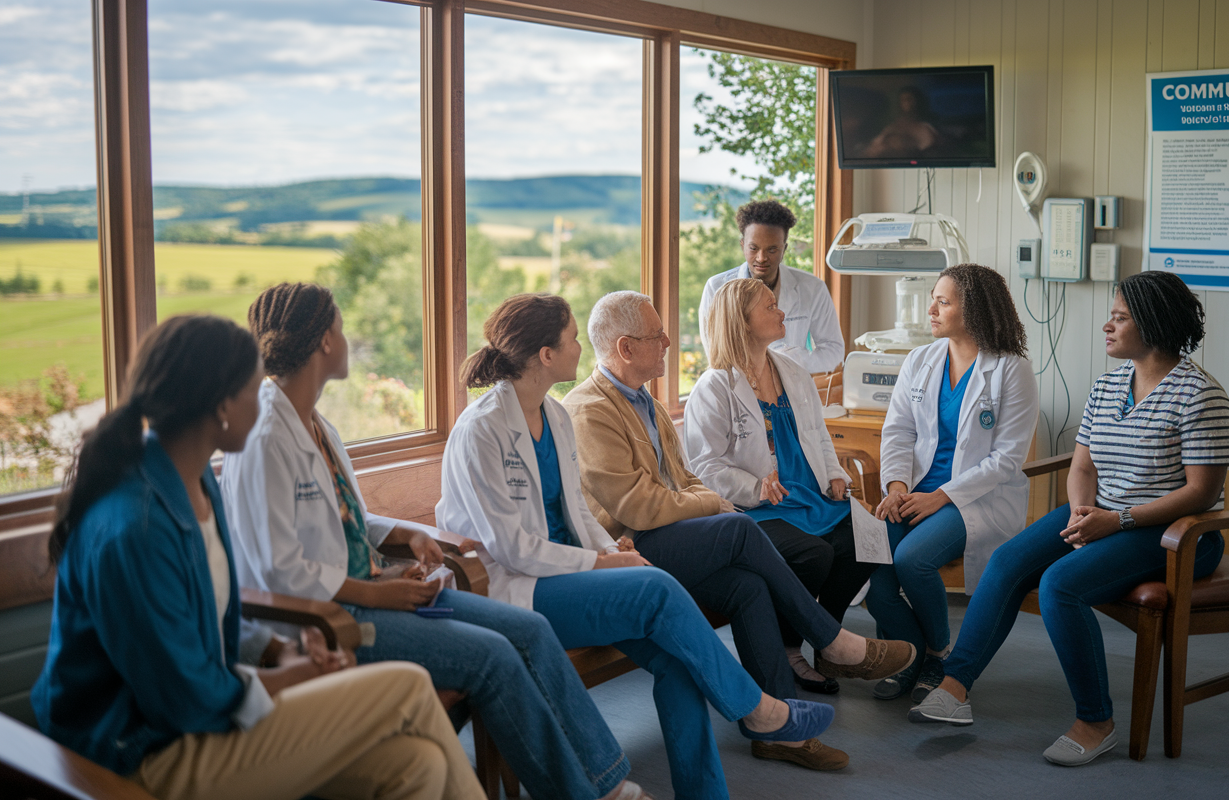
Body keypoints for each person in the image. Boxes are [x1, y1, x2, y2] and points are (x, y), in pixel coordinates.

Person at [220, 284, 647, 800]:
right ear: (324, 343)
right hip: (337, 620)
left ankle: (605, 781)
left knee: (530, 631)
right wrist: (378, 594)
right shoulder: (265, 436)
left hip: (383, 589)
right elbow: (278, 569)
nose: (346, 339)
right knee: (493, 656)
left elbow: (341, 513)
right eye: (340, 328)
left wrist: (402, 534)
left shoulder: (313, 420)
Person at [31, 315, 484, 800]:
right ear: (223, 405)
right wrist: (285, 679)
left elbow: (192, 634)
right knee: (408, 687)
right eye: (255, 387)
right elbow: (180, 698)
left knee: (418, 764)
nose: (264, 399)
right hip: (143, 754)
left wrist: (277, 650)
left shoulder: (195, 480)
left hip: (197, 720)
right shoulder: (135, 527)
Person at [435, 293, 836, 800]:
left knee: (679, 661)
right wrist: (604, 560)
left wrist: (609, 548)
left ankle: (704, 791)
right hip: (516, 588)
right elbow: (511, 549)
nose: (581, 346)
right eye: (573, 338)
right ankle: (760, 708)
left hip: (570, 575)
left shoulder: (553, 416)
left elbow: (577, 512)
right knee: (656, 587)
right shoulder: (482, 428)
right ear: (545, 355)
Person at [563, 290, 916, 773]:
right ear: (625, 348)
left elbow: (683, 476)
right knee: (740, 531)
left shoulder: (645, 399)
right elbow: (637, 507)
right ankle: (834, 644)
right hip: (627, 548)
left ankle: (778, 731)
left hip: (670, 532)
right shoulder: (590, 408)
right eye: (656, 335)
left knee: (748, 587)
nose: (668, 341)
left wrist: (704, 501)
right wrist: (712, 503)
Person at [911, 271, 1229, 768]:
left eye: (1120, 318)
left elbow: (1201, 492)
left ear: (1153, 324)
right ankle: (955, 685)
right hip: (1102, 512)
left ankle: (1095, 721)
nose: (1107, 326)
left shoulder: (1199, 395)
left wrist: (1118, 519)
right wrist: (1084, 509)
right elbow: (1082, 464)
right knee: (1008, 560)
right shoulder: (1108, 385)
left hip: (1175, 533)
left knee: (1060, 583)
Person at [685, 277, 879, 695]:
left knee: (868, 541)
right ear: (743, 321)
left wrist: (835, 475)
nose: (781, 312)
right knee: (815, 554)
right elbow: (704, 465)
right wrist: (755, 487)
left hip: (809, 495)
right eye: (770, 307)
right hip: (759, 507)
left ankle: (827, 638)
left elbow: (819, 435)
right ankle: (792, 649)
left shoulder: (792, 369)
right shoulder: (715, 386)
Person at [866, 264, 1037, 702]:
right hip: (914, 492)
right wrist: (897, 488)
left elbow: (1007, 459)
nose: (931, 309)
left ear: (974, 309)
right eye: (934, 299)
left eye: (943, 301)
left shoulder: (1011, 370)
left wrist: (940, 497)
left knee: (912, 559)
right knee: (873, 571)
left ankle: (939, 654)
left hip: (975, 500)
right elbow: (898, 430)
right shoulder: (921, 360)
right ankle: (909, 658)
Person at [698, 199, 845, 373]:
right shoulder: (716, 288)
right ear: (742, 245)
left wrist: (791, 359)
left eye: (772, 250)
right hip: (738, 390)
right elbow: (716, 355)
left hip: (792, 388)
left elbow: (834, 351)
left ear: (784, 249)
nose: (761, 258)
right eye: (753, 248)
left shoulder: (812, 288)